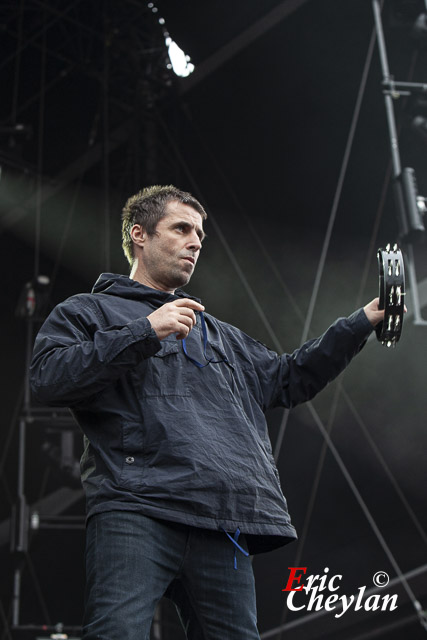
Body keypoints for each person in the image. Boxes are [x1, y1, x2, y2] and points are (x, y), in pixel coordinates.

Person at [30, 185, 384, 640]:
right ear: (140, 235)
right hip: (137, 508)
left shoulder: (221, 335)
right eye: (181, 228)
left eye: (199, 233)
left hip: (223, 519)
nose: (195, 241)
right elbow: (48, 378)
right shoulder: (88, 311)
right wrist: (143, 332)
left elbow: (288, 379)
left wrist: (361, 322)